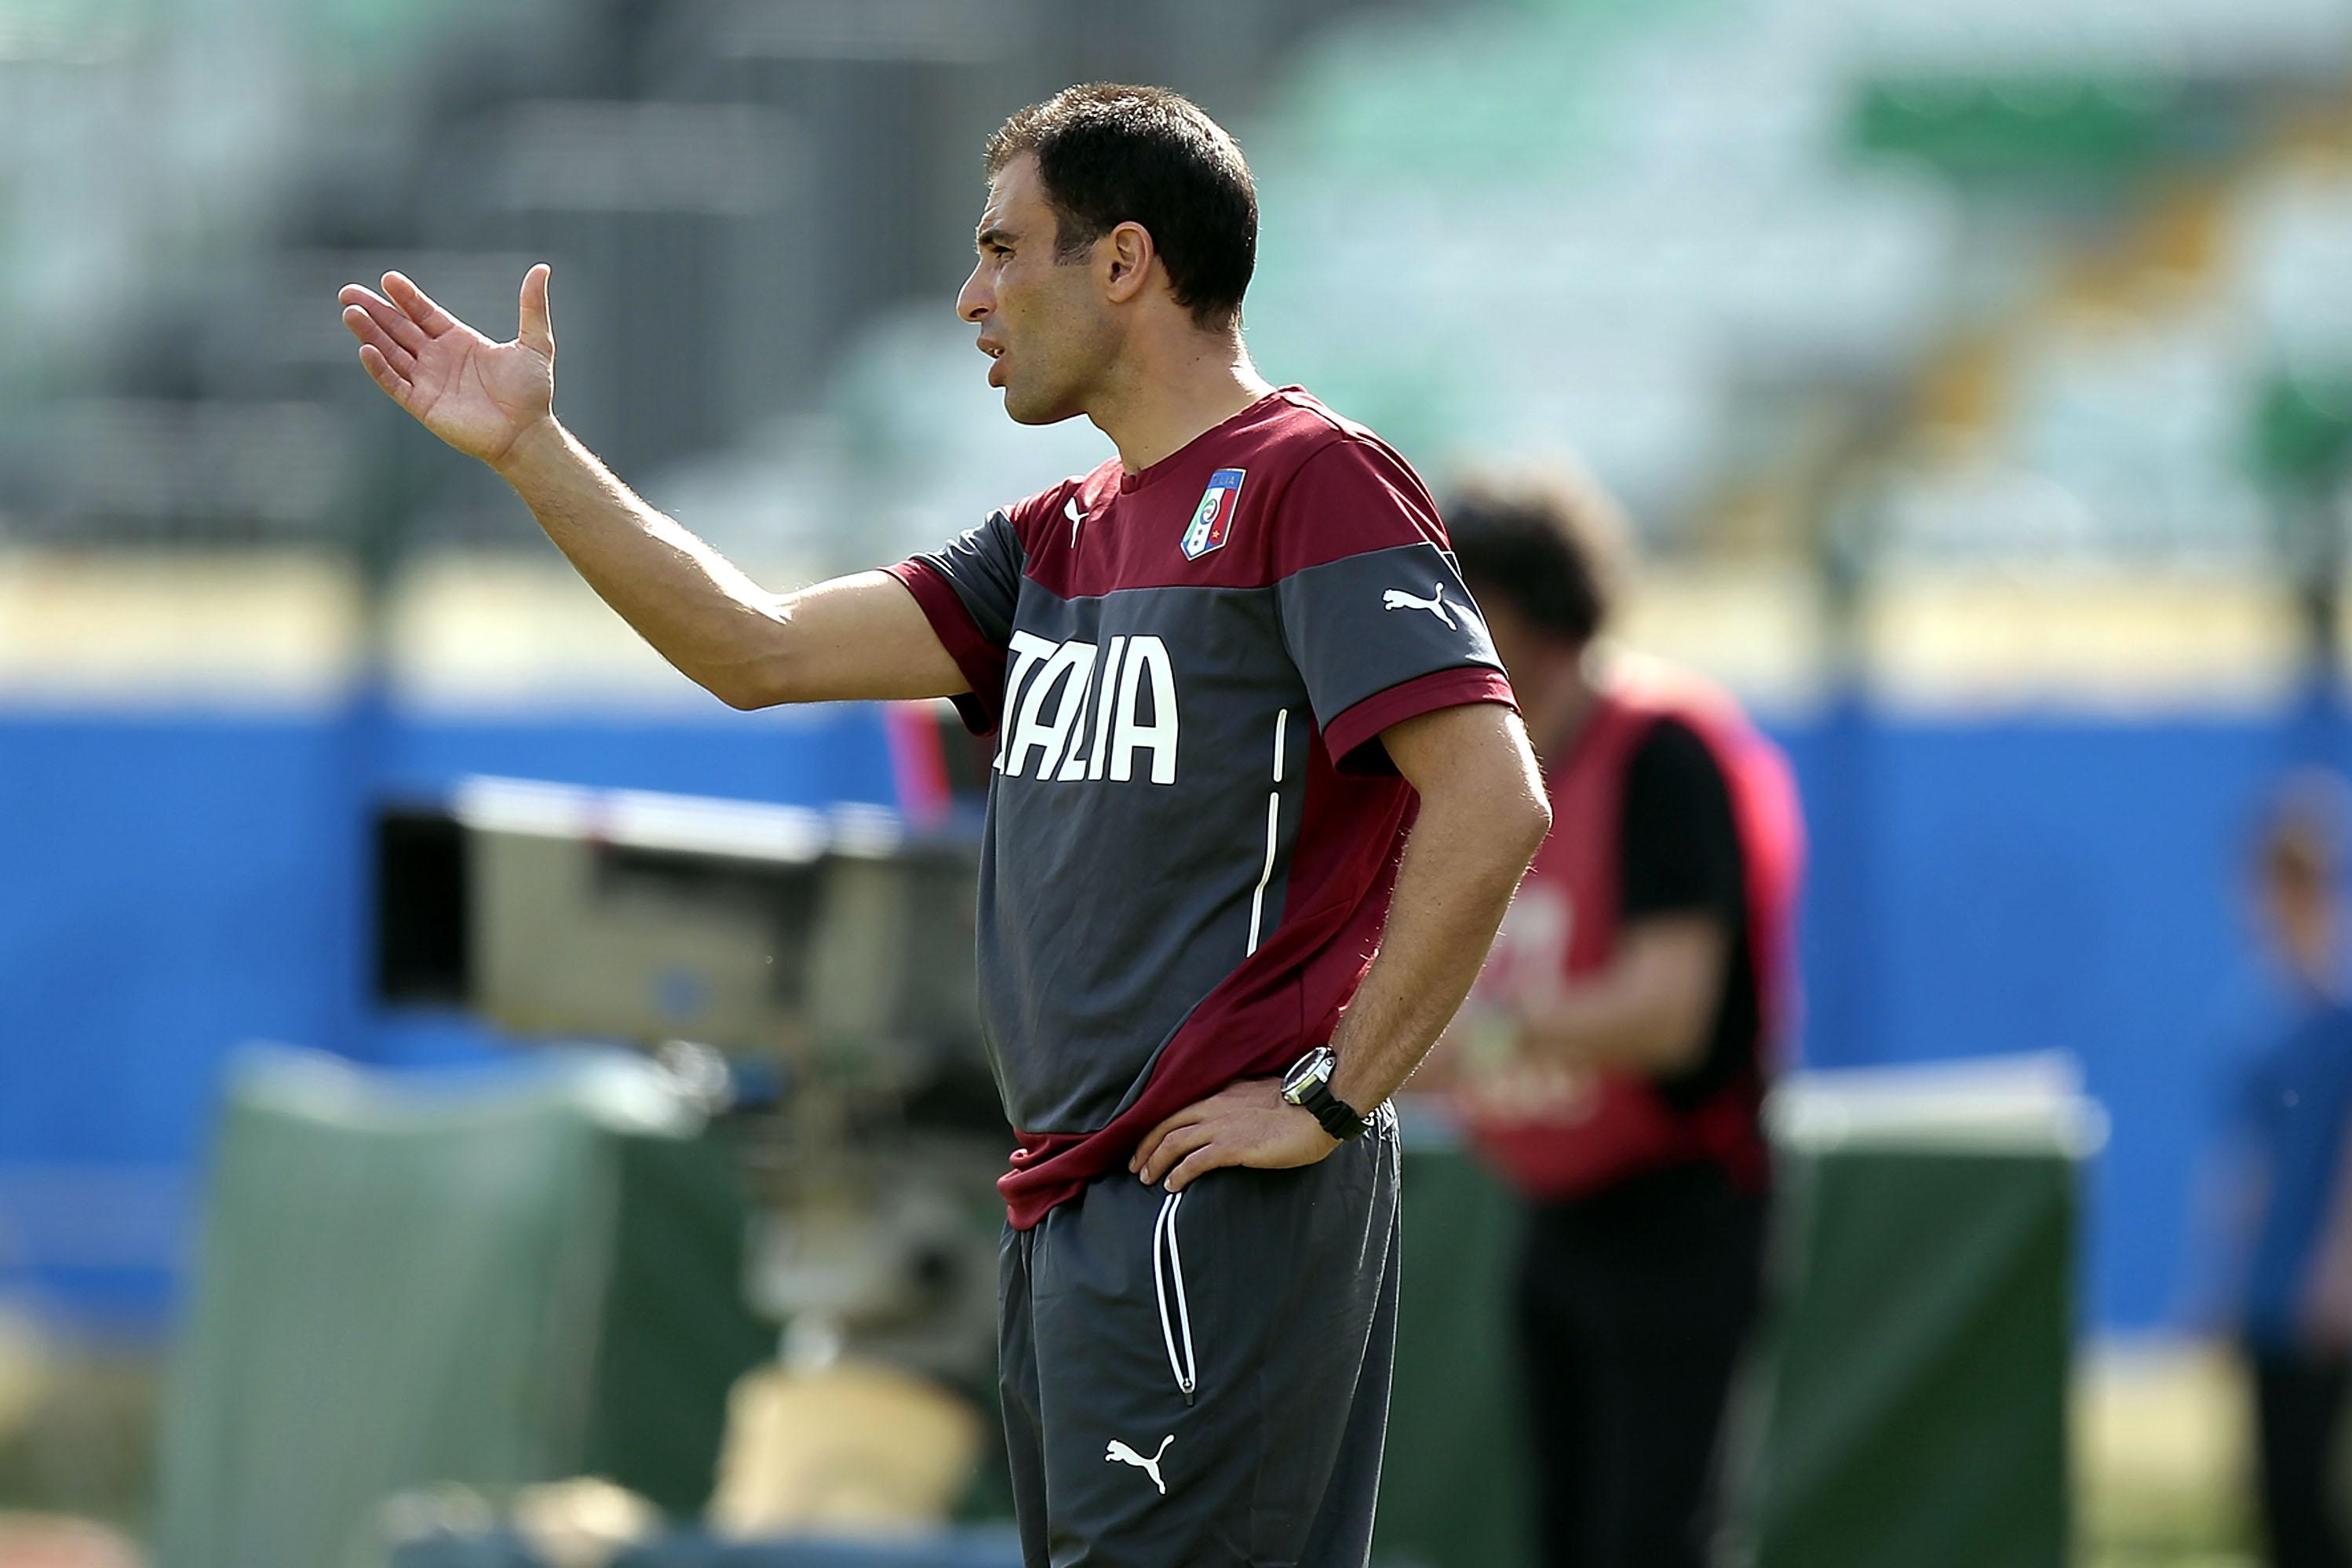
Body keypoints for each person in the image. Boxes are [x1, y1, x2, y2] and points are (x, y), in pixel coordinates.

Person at [337, 84, 1551, 1568]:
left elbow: (1492, 801)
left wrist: (1327, 1095)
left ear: (1121, 262)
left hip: (1206, 1203)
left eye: (1001, 248)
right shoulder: (1056, 534)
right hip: (1070, 1206)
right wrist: (533, 451)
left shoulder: (1313, 480)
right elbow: (755, 645)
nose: (971, 296)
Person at [1429, 472, 1803, 1568]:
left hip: (1680, 1204)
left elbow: (1667, 1011)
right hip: (1555, 1206)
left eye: (1467, 596)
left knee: (1650, 1536)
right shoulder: (1478, 772)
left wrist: (1475, 1039)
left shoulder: (1660, 752)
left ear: (1539, 609)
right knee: (1566, 1531)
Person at [2210, 775, 2352, 1568]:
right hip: (2269, 1291)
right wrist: (2224, 1283)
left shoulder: (2343, 1015)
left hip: (2323, 1296)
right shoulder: (2256, 1017)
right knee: (2268, 1498)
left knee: (2309, 1499)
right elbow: (2246, 1164)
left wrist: (2337, 1273)